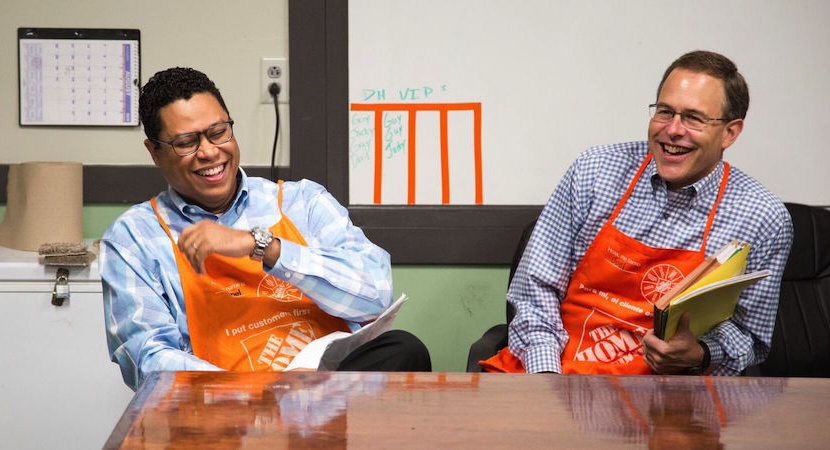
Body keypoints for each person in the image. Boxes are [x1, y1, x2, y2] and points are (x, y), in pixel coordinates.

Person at [101, 67, 431, 390]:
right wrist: (250, 395)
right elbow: (147, 359)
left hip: (328, 394)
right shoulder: (136, 238)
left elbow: (375, 296)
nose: (209, 152)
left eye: (218, 132)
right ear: (154, 152)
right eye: (186, 142)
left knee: (404, 349)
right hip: (231, 417)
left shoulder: (302, 202)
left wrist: (266, 247)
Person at [481, 50, 793, 375]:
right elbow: (535, 290)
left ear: (730, 132)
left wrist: (701, 353)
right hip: (554, 377)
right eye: (664, 112)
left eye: (693, 118)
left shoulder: (762, 217)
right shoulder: (595, 171)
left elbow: (749, 334)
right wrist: (547, 380)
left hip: (668, 403)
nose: (673, 130)